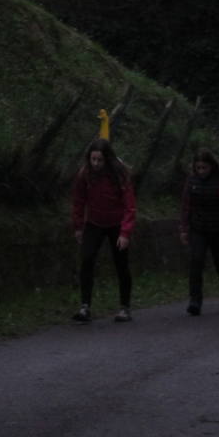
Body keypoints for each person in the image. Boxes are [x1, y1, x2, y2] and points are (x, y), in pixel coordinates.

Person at [71, 138, 136, 323]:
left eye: (100, 160)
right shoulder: (85, 174)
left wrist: (125, 232)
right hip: (94, 222)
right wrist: (78, 226)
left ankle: (125, 307)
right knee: (87, 259)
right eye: (93, 159)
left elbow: (129, 205)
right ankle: (85, 306)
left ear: (107, 159)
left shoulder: (120, 174)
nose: (96, 163)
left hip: (116, 223)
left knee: (121, 264)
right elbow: (78, 200)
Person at [179, 150, 219, 315]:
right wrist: (184, 228)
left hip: (218, 228)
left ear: (211, 166)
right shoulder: (191, 181)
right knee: (196, 262)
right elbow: (186, 206)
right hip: (198, 228)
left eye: (204, 167)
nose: (201, 171)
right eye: (198, 168)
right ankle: (195, 300)